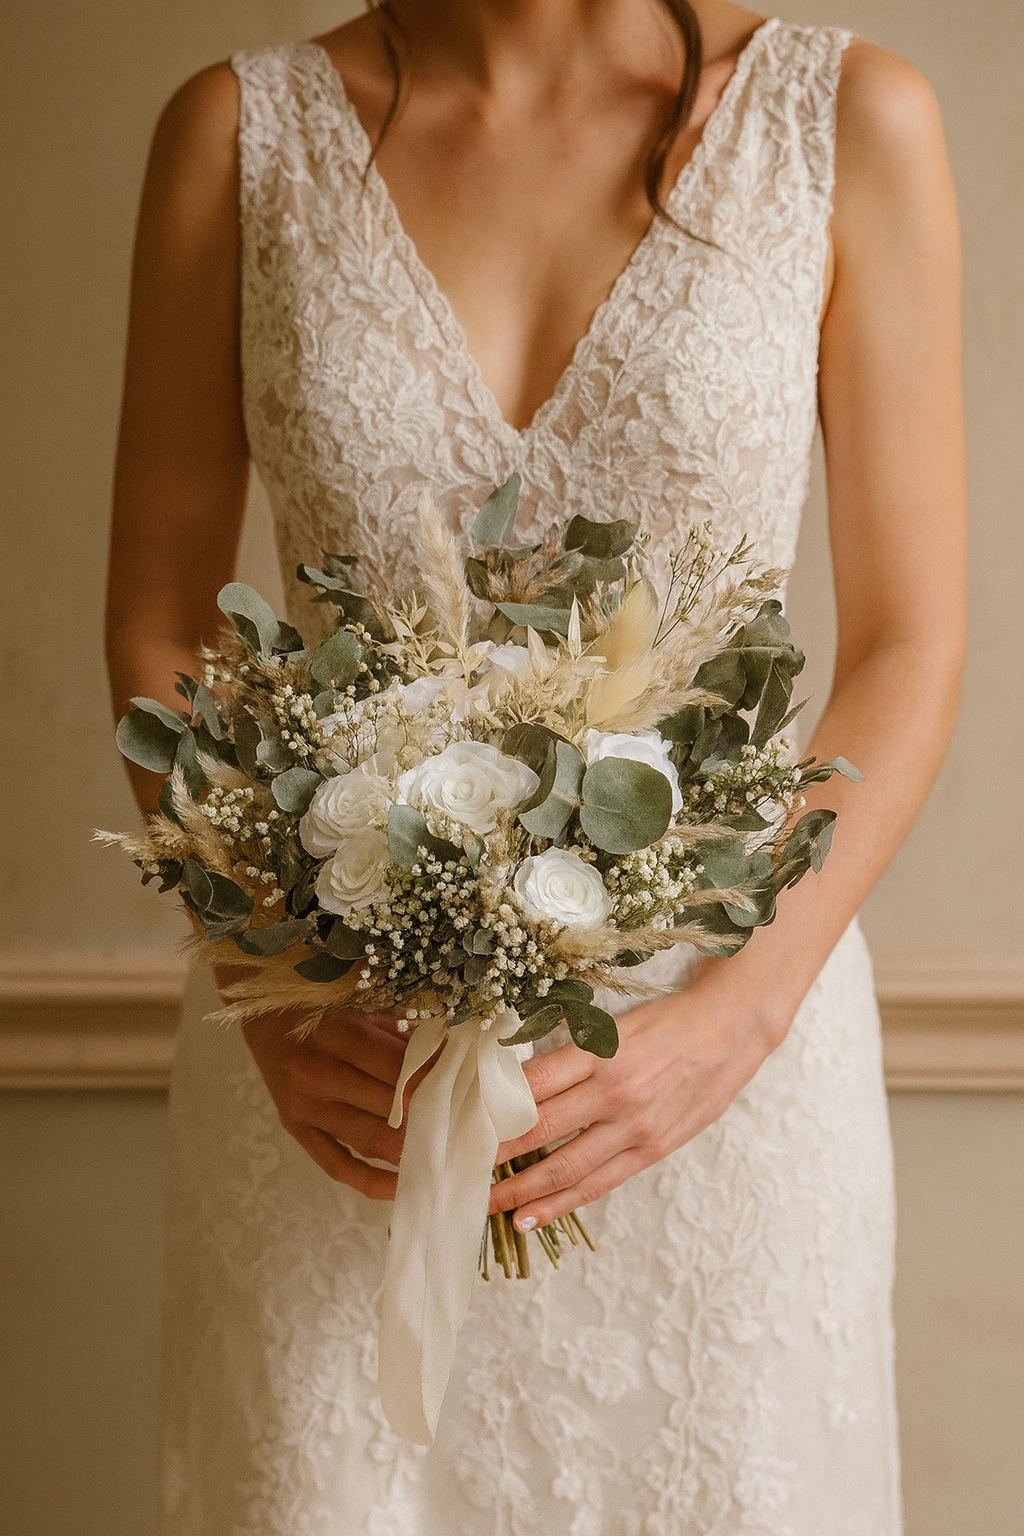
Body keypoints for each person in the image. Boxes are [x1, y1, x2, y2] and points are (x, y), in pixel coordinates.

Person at [106, 0, 966, 1529]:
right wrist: (266, 999)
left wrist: (735, 1023)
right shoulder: (242, 135)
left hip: (724, 1084)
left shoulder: (844, 120)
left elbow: (907, 641)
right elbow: (164, 621)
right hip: (337, 1075)